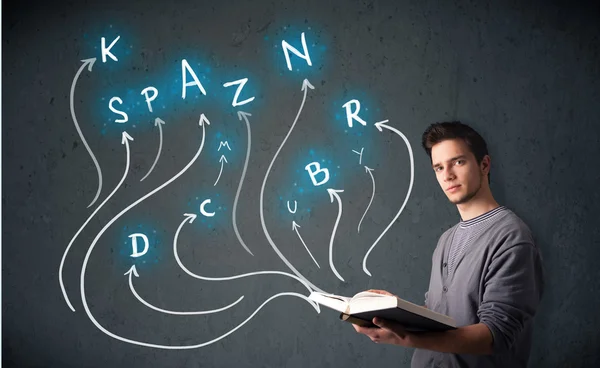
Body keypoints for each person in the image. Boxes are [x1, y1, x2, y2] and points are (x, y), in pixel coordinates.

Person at [352, 121, 545, 367]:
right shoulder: (446, 239)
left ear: (484, 164)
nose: (447, 175)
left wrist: (404, 337)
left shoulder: (512, 238)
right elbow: (439, 313)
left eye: (458, 162)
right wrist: (395, 311)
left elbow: (494, 335)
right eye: (439, 168)